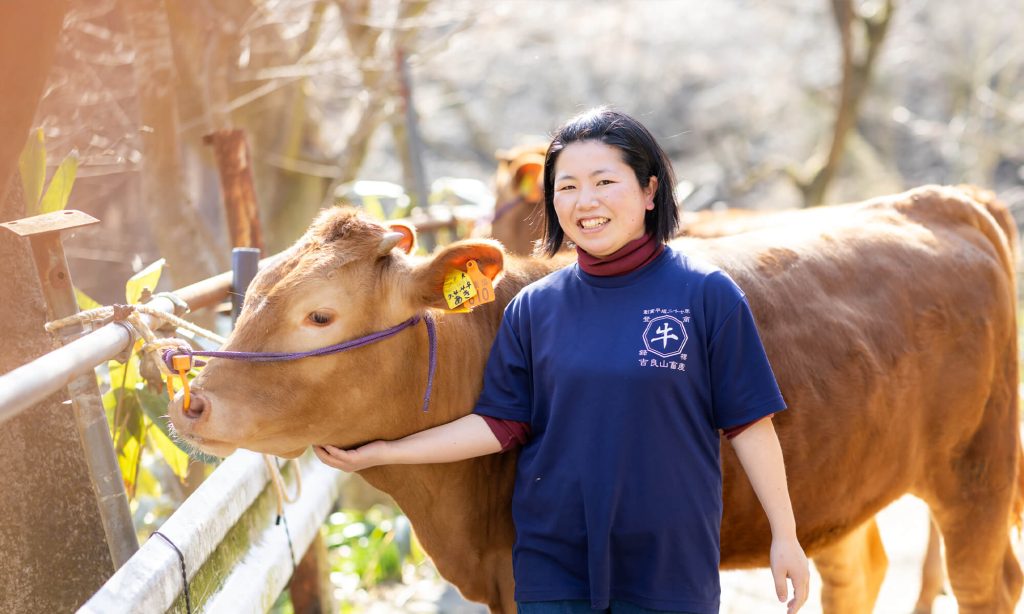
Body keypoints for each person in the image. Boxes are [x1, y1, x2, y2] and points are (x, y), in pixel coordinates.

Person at [315, 107, 810, 614]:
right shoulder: (534, 306)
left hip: (668, 563)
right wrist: (383, 452)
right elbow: (502, 424)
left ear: (649, 191)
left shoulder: (706, 295)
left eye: (604, 181)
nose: (585, 201)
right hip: (553, 562)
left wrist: (785, 535)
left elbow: (750, 423)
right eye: (567, 186)